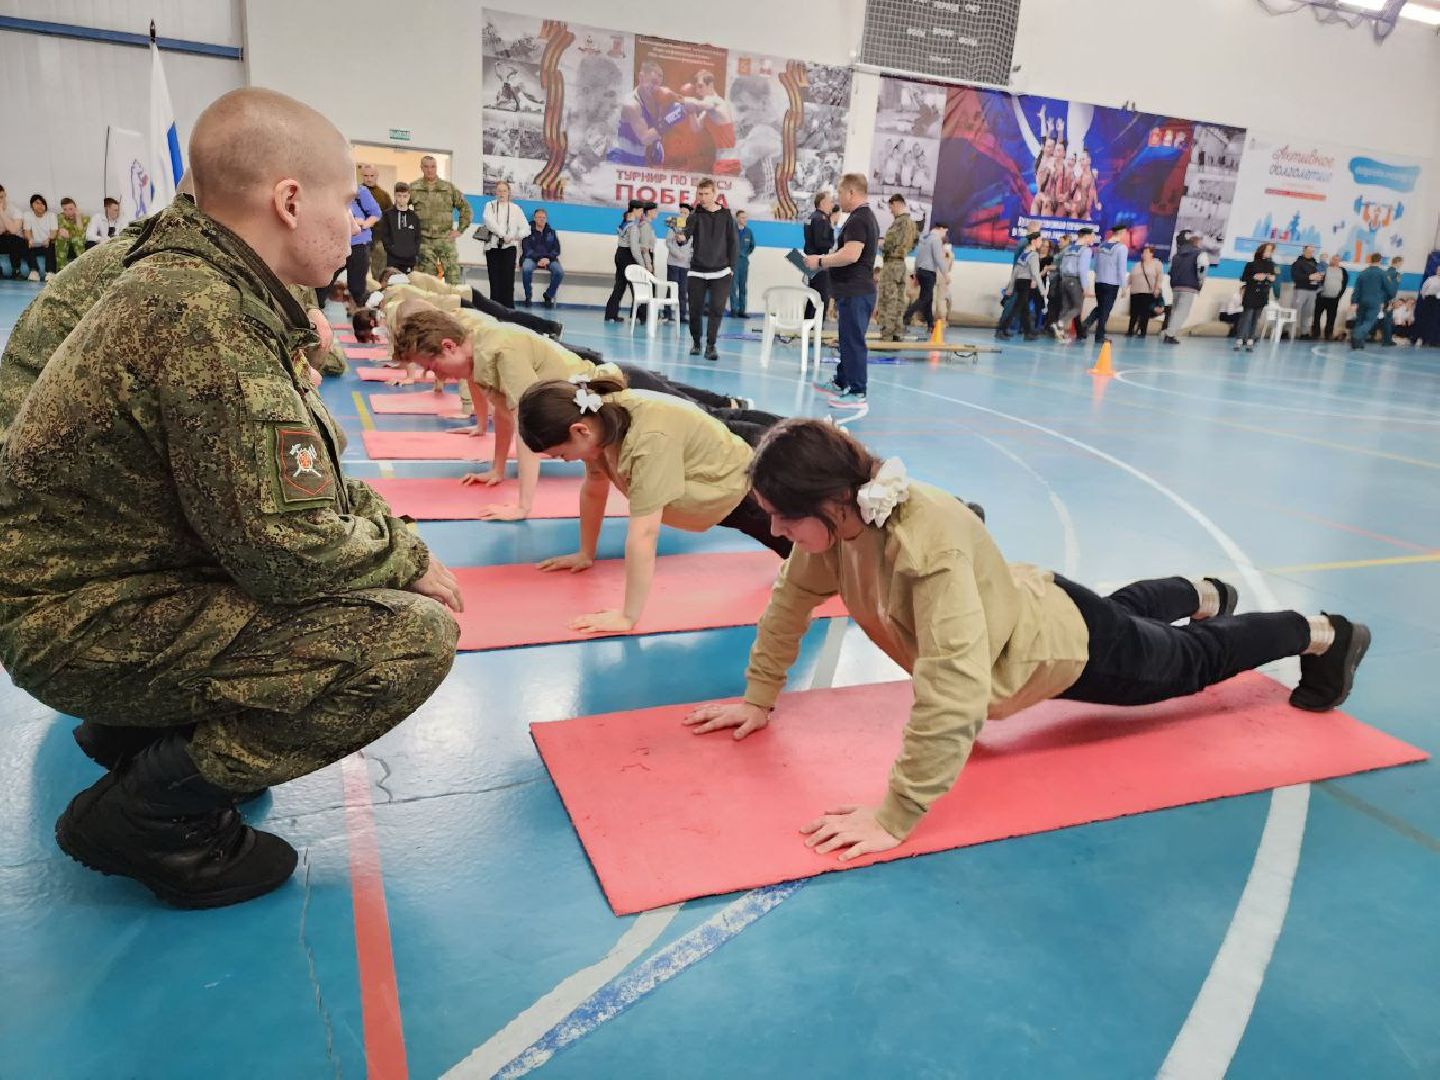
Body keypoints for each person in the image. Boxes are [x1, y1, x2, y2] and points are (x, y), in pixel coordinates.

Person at [0, 87, 462, 909]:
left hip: (96, 590)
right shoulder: (203, 314)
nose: (356, 224)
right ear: (288, 200)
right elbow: (292, 551)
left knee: (355, 570)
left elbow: (298, 485)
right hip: (77, 622)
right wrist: (410, 558)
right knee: (404, 638)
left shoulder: (201, 284)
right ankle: (150, 818)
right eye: (345, 202)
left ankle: (145, 733)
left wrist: (387, 536)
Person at [681, 420, 1370, 859]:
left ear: (831, 504)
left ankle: (1324, 634)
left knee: (1192, 660)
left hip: (1061, 651)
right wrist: (759, 697)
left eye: (781, 517)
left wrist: (896, 815)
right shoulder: (837, 523)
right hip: (1031, 600)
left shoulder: (927, 548)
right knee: (1125, 610)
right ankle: (1203, 592)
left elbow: (953, 681)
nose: (774, 531)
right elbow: (789, 603)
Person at [396, 309, 756, 518]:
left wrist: (523, 506)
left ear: (449, 346)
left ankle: (782, 431)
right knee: (711, 413)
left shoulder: (500, 350)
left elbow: (524, 426)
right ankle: (751, 415)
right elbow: (504, 417)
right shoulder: (478, 360)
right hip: (600, 394)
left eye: (432, 366)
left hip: (614, 388)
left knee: (716, 420)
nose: (435, 376)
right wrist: (496, 469)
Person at [516, 376, 788, 634]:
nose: (564, 461)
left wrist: (627, 616)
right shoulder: (596, 424)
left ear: (580, 431)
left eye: (562, 454)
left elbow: (644, 533)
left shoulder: (646, 439)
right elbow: (594, 490)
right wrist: (585, 553)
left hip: (732, 483)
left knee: (791, 540)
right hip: (712, 468)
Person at [807, 173, 879, 409]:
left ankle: (858, 391)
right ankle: (842, 381)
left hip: (857, 290)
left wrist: (820, 261)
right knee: (847, 340)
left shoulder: (859, 219)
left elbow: (850, 255)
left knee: (853, 341)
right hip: (851, 290)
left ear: (851, 192)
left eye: (840, 193)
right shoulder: (860, 217)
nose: (838, 199)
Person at [687, 179, 738, 361]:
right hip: (696, 271)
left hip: (721, 272)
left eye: (706, 193)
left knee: (716, 310)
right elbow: (684, 237)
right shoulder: (694, 215)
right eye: (700, 194)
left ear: (715, 194)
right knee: (694, 310)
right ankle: (696, 342)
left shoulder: (726, 216)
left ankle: (711, 346)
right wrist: (679, 236)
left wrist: (731, 268)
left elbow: (733, 243)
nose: (702, 197)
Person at [410, 154, 472, 283]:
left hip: (445, 238)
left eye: (433, 166)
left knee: (453, 277)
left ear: (436, 167)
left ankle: (454, 301)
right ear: (421, 168)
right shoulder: (414, 188)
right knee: (428, 279)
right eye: (426, 166)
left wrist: (460, 229)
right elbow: (401, 210)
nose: (429, 170)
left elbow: (465, 208)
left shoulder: (448, 188)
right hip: (424, 240)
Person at [876, 193, 918, 342]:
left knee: (887, 300)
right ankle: (897, 333)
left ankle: (886, 334)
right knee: (900, 300)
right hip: (902, 264)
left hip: (891, 265)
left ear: (896, 204)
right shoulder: (912, 224)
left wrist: (879, 244)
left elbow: (888, 244)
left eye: (891, 207)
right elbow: (914, 243)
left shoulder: (899, 223)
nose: (890, 211)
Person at [482, 180, 527, 307]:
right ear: (495, 192)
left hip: (509, 248)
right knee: (494, 280)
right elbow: (489, 222)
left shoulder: (515, 208)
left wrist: (514, 236)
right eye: (499, 191)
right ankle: (494, 309)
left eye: (504, 191)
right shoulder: (489, 205)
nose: (502, 193)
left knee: (508, 280)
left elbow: (525, 228)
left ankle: (508, 311)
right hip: (493, 247)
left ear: (509, 193)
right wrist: (503, 235)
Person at [1081, 225, 1126, 344]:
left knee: (1101, 307)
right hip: (1111, 283)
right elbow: (1121, 269)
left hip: (1099, 282)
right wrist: (1124, 286)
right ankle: (1099, 335)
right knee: (1105, 309)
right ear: (1121, 233)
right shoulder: (1121, 248)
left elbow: (1095, 266)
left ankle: (1086, 324)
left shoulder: (1100, 246)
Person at [1162, 231, 1208, 345]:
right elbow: (1202, 269)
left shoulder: (1177, 254)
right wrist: (1200, 281)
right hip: (1189, 286)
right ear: (1197, 242)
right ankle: (1169, 334)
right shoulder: (1200, 253)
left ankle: (1168, 333)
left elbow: (1170, 270)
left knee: (1175, 311)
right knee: (1182, 312)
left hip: (1176, 285)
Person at [1049, 227, 1095, 343]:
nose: (1093, 238)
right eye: (1092, 236)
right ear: (1086, 236)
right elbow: (1082, 270)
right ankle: (1060, 323)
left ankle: (1061, 333)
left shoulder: (1069, 249)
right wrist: (1085, 287)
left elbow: (1062, 266)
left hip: (1064, 279)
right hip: (1074, 280)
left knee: (1065, 307)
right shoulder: (1085, 250)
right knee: (1077, 307)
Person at [904, 220, 948, 336]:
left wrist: (915, 275)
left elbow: (918, 258)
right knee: (925, 298)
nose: (945, 234)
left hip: (921, 271)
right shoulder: (936, 239)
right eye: (945, 231)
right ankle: (904, 318)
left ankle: (930, 325)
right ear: (942, 229)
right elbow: (938, 258)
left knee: (928, 300)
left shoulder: (925, 239)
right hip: (929, 273)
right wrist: (946, 275)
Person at [996, 232, 1041, 341]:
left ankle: (1027, 332)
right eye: (1040, 240)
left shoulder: (1024, 252)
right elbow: (1034, 272)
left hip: (1020, 282)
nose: (1041, 242)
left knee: (1024, 308)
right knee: (1016, 308)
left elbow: (1017, 269)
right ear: (1034, 241)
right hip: (1024, 282)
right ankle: (1001, 329)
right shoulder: (1032, 254)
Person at [603, 200, 642, 322]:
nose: (641, 213)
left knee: (619, 285)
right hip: (628, 256)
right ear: (634, 210)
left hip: (619, 254)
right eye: (640, 210)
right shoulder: (634, 227)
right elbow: (635, 248)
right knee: (636, 286)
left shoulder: (624, 224)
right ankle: (641, 314)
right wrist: (642, 264)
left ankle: (610, 313)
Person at [1235, 242, 1277, 351]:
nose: (1269, 253)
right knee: (1247, 317)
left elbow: (1272, 277)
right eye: (1267, 250)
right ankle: (1239, 339)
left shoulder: (1271, 265)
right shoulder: (1251, 264)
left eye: (1271, 251)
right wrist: (1255, 277)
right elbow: (1244, 278)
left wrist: (1271, 278)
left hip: (1262, 294)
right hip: (1251, 293)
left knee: (1256, 319)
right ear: (1262, 251)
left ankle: (1250, 339)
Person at [1349, 252, 1395, 350]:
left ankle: (1358, 344)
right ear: (1380, 260)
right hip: (1375, 301)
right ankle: (1357, 335)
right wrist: (1388, 299)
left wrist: (1353, 302)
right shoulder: (1383, 274)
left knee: (1359, 321)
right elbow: (1389, 289)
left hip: (1361, 301)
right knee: (1369, 322)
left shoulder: (1362, 273)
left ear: (1371, 260)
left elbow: (1356, 289)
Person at [346, 183, 382, 307]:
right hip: (335, 243)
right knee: (322, 287)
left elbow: (376, 214)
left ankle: (366, 314)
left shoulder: (360, 191)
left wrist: (361, 224)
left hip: (358, 243)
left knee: (357, 288)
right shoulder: (327, 189)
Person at [374, 182, 421, 273]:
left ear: (409, 196)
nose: (402, 199)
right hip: (393, 259)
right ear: (395, 196)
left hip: (410, 260)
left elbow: (417, 237)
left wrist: (413, 251)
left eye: (405, 196)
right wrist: (392, 249)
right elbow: (385, 236)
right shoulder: (387, 215)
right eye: (399, 196)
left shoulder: (414, 216)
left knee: (409, 285)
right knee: (393, 285)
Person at [520, 207, 563, 307]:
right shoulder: (527, 231)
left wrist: (548, 259)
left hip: (549, 260)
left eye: (543, 217)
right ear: (534, 218)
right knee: (526, 268)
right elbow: (527, 249)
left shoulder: (551, 232)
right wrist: (539, 258)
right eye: (539, 217)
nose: (541, 219)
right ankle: (528, 296)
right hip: (532, 258)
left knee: (559, 272)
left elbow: (557, 249)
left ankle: (548, 295)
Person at [804, 191, 835, 321]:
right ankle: (817, 328)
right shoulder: (821, 219)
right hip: (819, 261)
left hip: (810, 259)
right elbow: (821, 243)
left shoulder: (810, 217)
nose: (832, 205)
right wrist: (832, 243)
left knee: (812, 295)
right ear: (822, 203)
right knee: (821, 297)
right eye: (830, 202)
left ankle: (808, 324)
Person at [359, 164, 394, 279]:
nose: (369, 178)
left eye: (372, 175)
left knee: (379, 271)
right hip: (359, 238)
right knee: (358, 271)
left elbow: (390, 218)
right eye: (366, 175)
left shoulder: (384, 196)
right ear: (361, 176)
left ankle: (379, 294)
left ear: (377, 176)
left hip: (378, 239)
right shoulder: (354, 193)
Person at [1125, 245, 1164, 337]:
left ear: (1152, 254)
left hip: (1147, 292)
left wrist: (1157, 288)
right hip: (1135, 292)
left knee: (1144, 313)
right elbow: (1130, 277)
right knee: (1133, 313)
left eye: (1147, 252)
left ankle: (1142, 332)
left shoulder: (1157, 264)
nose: (1144, 254)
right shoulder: (1137, 265)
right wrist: (1125, 288)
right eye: (1143, 253)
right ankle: (1130, 331)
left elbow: (1159, 277)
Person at [664, 203, 693, 324]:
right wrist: (677, 254)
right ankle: (667, 314)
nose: (683, 215)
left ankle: (682, 315)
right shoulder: (673, 226)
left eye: (685, 213)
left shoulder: (691, 228)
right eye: (681, 212)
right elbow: (669, 243)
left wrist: (688, 257)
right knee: (672, 288)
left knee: (683, 290)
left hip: (685, 264)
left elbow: (693, 246)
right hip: (673, 262)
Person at [1289, 245, 1323, 340]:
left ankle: (1304, 333)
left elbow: (1319, 275)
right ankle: (1288, 331)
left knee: (1308, 313)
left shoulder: (1315, 264)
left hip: (1312, 291)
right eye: (1308, 251)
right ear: (1304, 251)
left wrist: (1320, 278)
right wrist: (1309, 277)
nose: (1310, 253)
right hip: (1301, 290)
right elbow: (1295, 276)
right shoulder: (1297, 263)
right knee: (1294, 311)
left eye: (1312, 251)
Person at [1314, 253, 1349, 341]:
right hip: (1322, 297)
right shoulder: (1325, 268)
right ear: (1330, 260)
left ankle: (1328, 334)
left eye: (1337, 260)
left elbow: (1344, 284)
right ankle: (1316, 334)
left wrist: (1339, 295)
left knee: (1331, 317)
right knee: (1317, 316)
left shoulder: (1343, 271)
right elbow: (1319, 280)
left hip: (1334, 298)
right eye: (1333, 259)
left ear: (1339, 261)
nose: (1335, 261)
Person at [22, 194, 57, 282]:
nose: (40, 206)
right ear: (32, 205)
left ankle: (50, 272)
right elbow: (27, 231)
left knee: (52, 244)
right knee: (25, 243)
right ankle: (34, 271)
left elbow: (54, 232)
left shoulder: (51, 215)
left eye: (42, 203)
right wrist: (30, 239)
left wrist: (48, 239)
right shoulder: (27, 215)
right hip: (34, 243)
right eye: (37, 203)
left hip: (47, 242)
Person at [730, 210, 755, 317]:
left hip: (743, 262)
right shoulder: (731, 231)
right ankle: (734, 310)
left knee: (743, 287)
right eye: (742, 217)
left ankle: (742, 310)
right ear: (737, 218)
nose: (745, 220)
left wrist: (744, 254)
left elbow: (752, 246)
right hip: (732, 262)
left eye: (746, 217)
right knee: (733, 287)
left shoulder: (749, 232)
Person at [53, 198, 90, 271]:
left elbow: (81, 236)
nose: (68, 212)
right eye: (65, 209)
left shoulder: (85, 219)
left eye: (71, 209)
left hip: (80, 245)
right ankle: (61, 270)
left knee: (77, 240)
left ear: (76, 208)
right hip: (65, 245)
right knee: (60, 238)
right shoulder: (60, 217)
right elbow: (62, 232)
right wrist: (71, 235)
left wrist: (78, 218)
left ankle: (84, 269)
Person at [0, 185, 28, 278]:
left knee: (13, 239)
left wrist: (1, 212)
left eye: (1, 197)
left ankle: (16, 270)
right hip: (2, 241)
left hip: (17, 242)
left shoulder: (15, 209)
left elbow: (13, 230)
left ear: (5, 195)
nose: (0, 200)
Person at [1379, 256, 1403, 346]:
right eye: (1401, 263)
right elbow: (1393, 289)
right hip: (1388, 300)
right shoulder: (1396, 274)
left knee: (1383, 319)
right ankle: (1387, 340)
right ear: (1398, 262)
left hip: (1381, 299)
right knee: (1387, 320)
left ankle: (1386, 339)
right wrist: (1392, 301)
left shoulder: (1385, 273)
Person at [1414, 270, 1440, 347]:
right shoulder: (1431, 279)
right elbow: (1423, 290)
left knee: (1437, 321)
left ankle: (1435, 341)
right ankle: (1425, 340)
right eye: (1438, 269)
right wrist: (1427, 298)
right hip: (1430, 300)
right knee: (1427, 320)